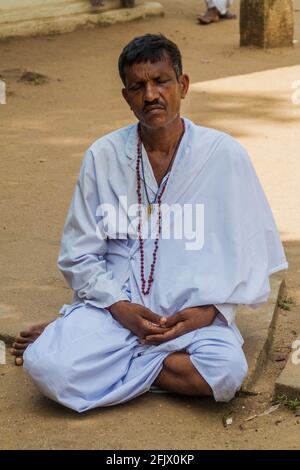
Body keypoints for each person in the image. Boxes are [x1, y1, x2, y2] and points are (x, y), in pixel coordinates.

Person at [11, 34, 288, 413]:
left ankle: (90, 349)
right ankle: (93, 343)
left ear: (183, 85)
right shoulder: (104, 155)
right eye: (138, 86)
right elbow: (79, 255)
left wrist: (210, 313)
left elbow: (253, 253)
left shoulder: (224, 155)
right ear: (127, 97)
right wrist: (122, 309)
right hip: (118, 308)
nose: (151, 95)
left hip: (190, 316)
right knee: (47, 367)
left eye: (161, 81)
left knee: (224, 373)